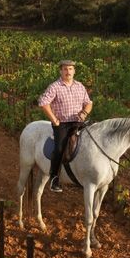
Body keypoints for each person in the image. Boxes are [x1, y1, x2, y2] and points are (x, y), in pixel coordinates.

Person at [38, 60, 93, 192]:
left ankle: (85, 174)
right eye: (65, 69)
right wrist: (54, 119)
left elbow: (88, 103)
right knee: (59, 148)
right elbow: (43, 102)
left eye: (70, 69)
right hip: (62, 124)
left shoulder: (79, 86)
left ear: (74, 71)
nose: (68, 72)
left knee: (90, 144)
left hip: (78, 122)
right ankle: (54, 178)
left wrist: (84, 112)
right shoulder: (55, 86)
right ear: (60, 71)